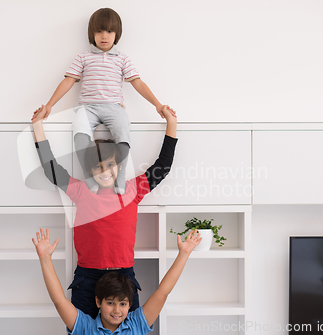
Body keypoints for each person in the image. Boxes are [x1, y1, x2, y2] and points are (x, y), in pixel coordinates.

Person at [31, 106, 178, 318]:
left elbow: (163, 166)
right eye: (98, 167)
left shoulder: (133, 189)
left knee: (130, 331)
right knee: (80, 330)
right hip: (88, 277)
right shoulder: (81, 191)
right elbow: (51, 169)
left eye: (111, 165)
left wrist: (171, 124)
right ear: (90, 170)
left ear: (119, 166)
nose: (105, 171)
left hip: (123, 275)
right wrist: (37, 126)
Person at [31, 7, 176, 194]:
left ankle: (120, 177)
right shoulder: (83, 57)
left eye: (109, 31)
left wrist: (157, 104)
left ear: (117, 34)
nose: (104, 36)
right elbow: (68, 82)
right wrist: (50, 105)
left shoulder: (122, 59)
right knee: (80, 135)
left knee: (123, 133)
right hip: (87, 108)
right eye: (99, 31)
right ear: (92, 33)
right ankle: (89, 176)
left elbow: (137, 83)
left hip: (114, 107)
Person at [32, 228, 202, 334]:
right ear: (98, 301)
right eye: (111, 303)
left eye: (122, 304)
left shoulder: (136, 324)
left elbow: (163, 292)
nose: (116, 310)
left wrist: (184, 254)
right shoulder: (86, 328)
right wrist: (45, 258)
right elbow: (59, 301)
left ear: (129, 305)